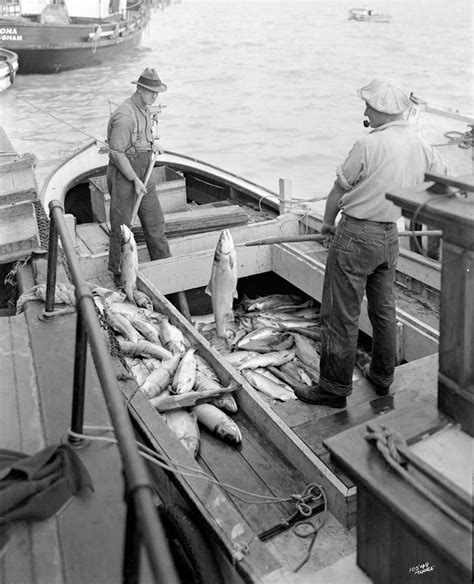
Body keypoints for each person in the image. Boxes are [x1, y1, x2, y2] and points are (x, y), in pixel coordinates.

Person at [295, 79, 448, 408]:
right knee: (384, 311)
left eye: (368, 107)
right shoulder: (420, 144)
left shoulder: (367, 145)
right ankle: (382, 378)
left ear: (381, 112)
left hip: (356, 235)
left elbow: (338, 191)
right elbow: (443, 181)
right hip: (389, 237)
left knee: (341, 314)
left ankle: (334, 389)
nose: (364, 111)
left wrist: (324, 225)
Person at [107, 67, 171, 284]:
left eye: (157, 92)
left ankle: (164, 265)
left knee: (155, 221)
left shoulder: (145, 107)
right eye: (152, 92)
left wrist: (154, 143)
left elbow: (144, 136)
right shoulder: (124, 116)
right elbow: (116, 152)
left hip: (145, 170)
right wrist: (134, 180)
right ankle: (118, 275)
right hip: (126, 173)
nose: (155, 96)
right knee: (123, 226)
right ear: (140, 89)